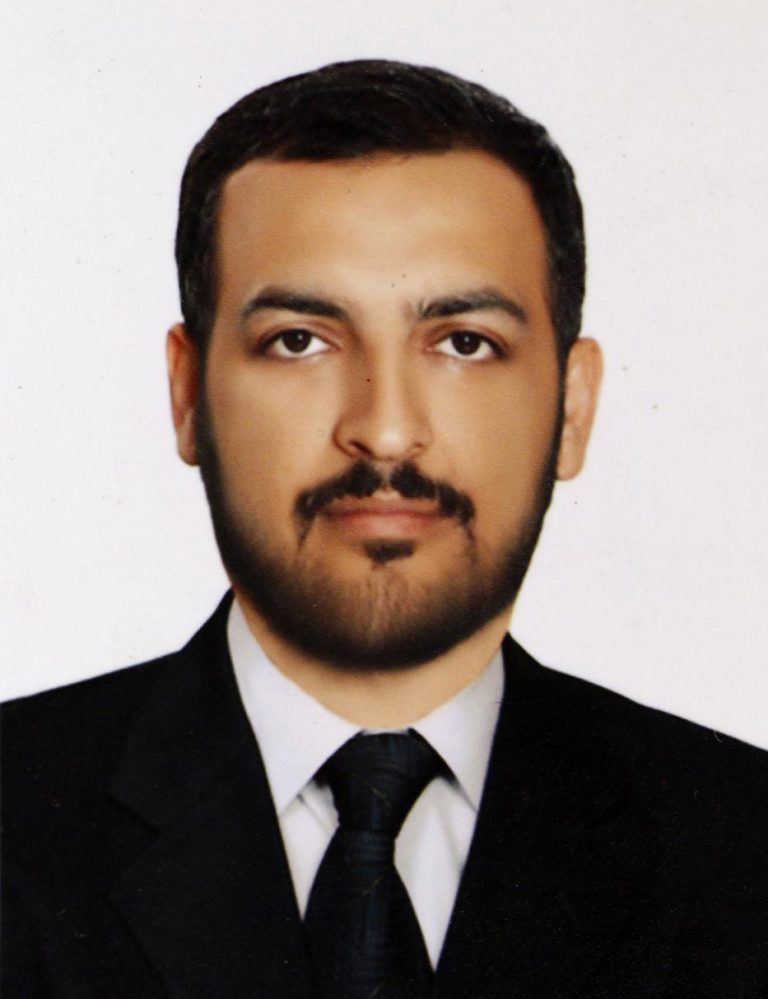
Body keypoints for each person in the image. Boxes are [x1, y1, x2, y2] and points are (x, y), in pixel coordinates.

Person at [2, 59, 766, 999]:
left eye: (464, 343)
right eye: (299, 340)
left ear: (572, 407)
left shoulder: (742, 846)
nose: (387, 429)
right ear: (188, 393)